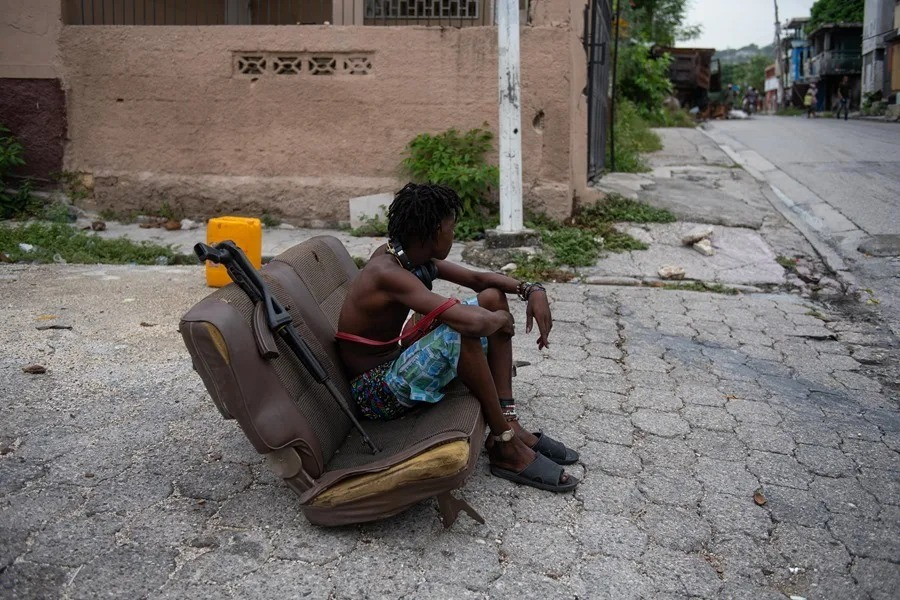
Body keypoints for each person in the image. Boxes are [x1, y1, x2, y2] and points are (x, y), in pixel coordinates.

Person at [336, 183, 579, 493]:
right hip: (375, 392)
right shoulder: (387, 273)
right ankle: (505, 445)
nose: (454, 235)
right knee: (462, 330)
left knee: (491, 297)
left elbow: (478, 279)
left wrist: (531, 289)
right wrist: (502, 320)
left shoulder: (407, 257)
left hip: (394, 365)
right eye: (451, 229)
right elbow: (469, 322)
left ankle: (510, 421)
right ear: (432, 233)